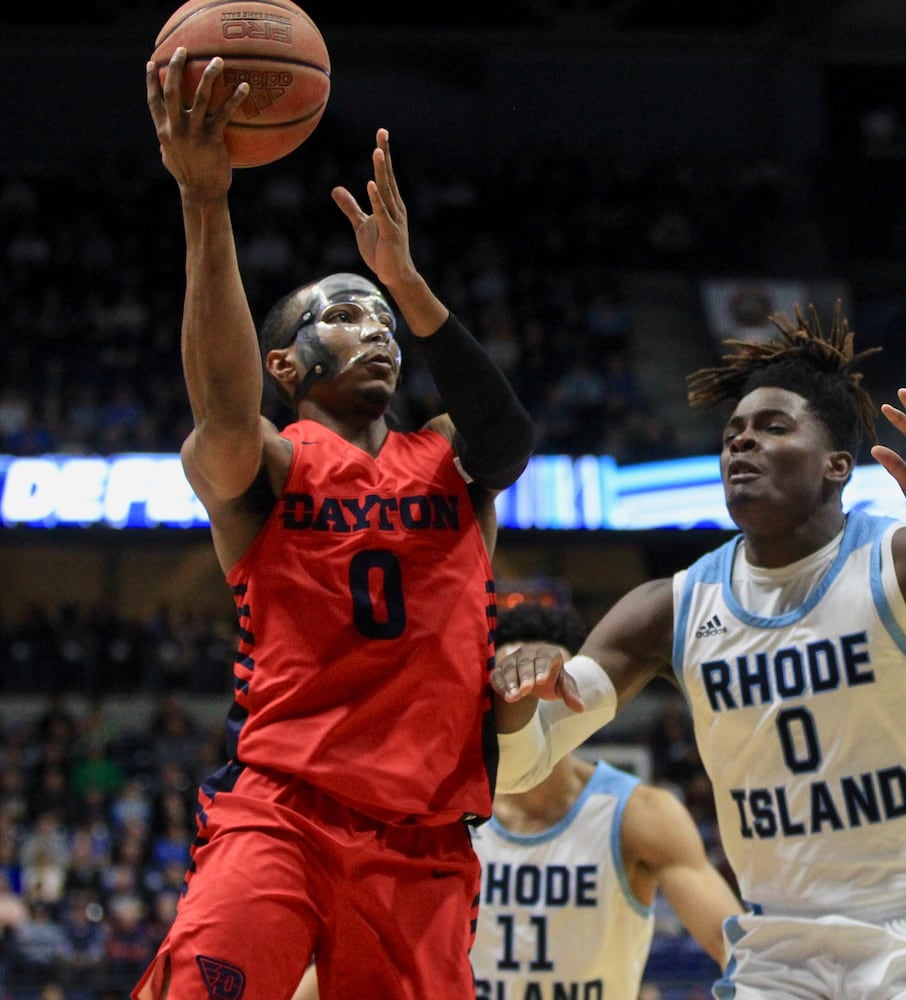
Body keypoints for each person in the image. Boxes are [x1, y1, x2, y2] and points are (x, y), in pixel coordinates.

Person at [492, 304, 906, 998]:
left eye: (771, 428)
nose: (741, 445)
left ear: (835, 465)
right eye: (732, 435)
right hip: (775, 947)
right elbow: (521, 767)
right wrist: (514, 703)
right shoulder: (667, 608)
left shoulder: (904, 561)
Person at [138, 48, 535, 1000]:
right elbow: (225, 414)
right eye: (347, 312)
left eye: (382, 318)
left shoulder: (448, 454)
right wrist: (205, 204)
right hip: (281, 810)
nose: (378, 328)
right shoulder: (264, 464)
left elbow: (508, 438)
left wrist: (403, 281)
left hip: (425, 835)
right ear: (287, 364)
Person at [291, 603, 742, 1000]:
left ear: (574, 696)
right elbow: (363, 956)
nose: (525, 697)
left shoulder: (640, 816)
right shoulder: (439, 818)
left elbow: (734, 948)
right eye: (511, 682)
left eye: (543, 681)